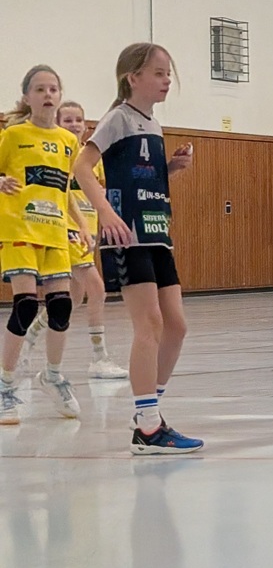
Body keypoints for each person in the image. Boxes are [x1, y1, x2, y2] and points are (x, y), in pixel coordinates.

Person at [74, 42, 203, 455]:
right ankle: (148, 426)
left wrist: (170, 169)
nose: (167, 80)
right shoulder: (118, 118)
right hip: (126, 234)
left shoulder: (153, 125)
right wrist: (105, 213)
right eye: (159, 73)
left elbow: (140, 176)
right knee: (149, 324)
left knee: (176, 326)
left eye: (168, 73)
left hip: (156, 231)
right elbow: (82, 168)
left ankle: (150, 414)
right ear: (133, 77)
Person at [0, 65, 92, 425]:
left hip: (55, 232)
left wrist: (82, 225)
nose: (48, 94)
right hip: (19, 228)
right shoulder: (13, 134)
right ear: (27, 97)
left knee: (61, 306)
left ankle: (52, 376)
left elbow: (65, 188)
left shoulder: (68, 141)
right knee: (25, 306)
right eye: (40, 89)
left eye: (53, 88)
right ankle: (5, 386)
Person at [18, 102, 129, 380]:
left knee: (74, 298)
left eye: (78, 120)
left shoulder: (92, 160)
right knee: (98, 289)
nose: (74, 124)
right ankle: (99, 358)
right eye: (67, 120)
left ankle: (29, 336)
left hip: (88, 232)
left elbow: (101, 193)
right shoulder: (58, 156)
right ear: (57, 123)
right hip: (67, 229)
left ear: (86, 126)